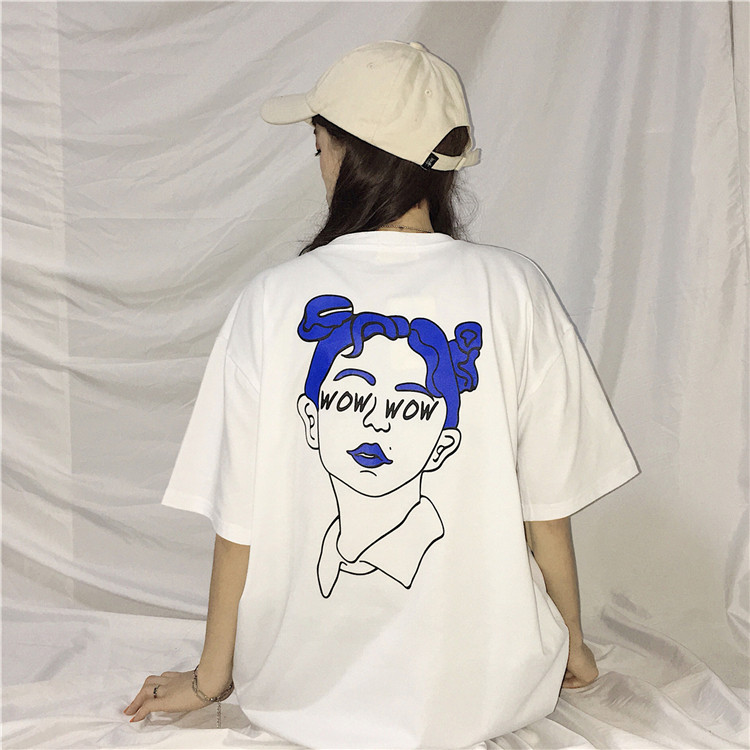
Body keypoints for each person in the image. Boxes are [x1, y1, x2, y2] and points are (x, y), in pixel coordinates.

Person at [125, 40, 639, 749]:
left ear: (343, 152)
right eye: (351, 398)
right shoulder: (515, 288)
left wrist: (212, 678)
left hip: (297, 694)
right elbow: (545, 508)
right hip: (490, 694)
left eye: (318, 144)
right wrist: (570, 644)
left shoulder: (271, 300)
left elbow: (239, 521)